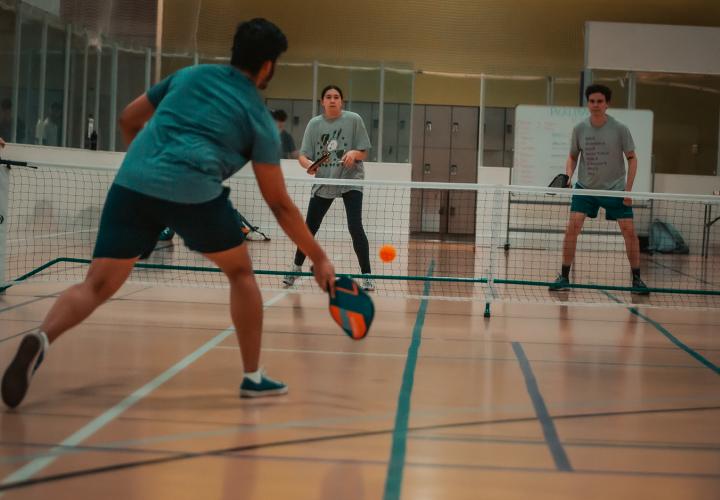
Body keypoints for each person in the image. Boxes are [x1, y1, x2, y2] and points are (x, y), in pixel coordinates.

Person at [1, 18, 336, 409]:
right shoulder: (259, 119)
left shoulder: (190, 76)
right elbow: (278, 203)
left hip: (133, 184)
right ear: (267, 67)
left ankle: (40, 338)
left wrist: (149, 176)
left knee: (96, 285)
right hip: (194, 193)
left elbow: (128, 118)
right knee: (241, 273)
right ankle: (252, 376)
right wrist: (318, 257)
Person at [549, 84, 649, 295]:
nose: (595, 105)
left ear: (607, 104)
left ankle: (637, 280)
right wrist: (568, 175)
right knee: (572, 228)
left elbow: (632, 159)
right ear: (588, 103)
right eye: (592, 101)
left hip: (615, 190)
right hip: (585, 189)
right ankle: (564, 277)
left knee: (630, 233)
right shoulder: (579, 129)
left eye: (600, 101)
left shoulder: (620, 129)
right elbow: (573, 156)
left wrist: (628, 191)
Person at [283, 85, 374, 291]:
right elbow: (303, 156)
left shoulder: (354, 120)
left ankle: (367, 275)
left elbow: (364, 152)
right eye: (328, 97)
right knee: (309, 228)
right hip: (325, 180)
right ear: (322, 102)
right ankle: (296, 268)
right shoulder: (314, 124)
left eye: (336, 97)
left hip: (351, 180)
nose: (332, 100)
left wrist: (353, 153)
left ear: (342, 101)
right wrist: (309, 165)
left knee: (355, 226)